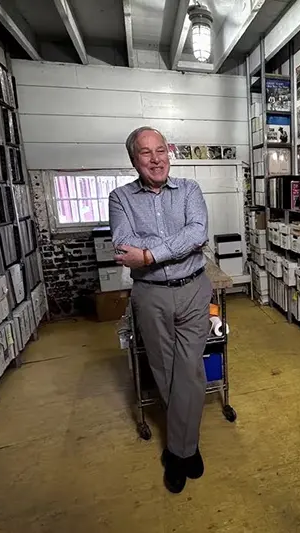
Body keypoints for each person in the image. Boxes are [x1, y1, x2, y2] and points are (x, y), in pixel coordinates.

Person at [109, 127, 213, 494]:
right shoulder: (120, 198)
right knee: (165, 371)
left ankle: (178, 450)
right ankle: (189, 447)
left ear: (169, 152)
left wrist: (150, 253)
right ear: (133, 159)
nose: (155, 159)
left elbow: (197, 232)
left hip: (193, 290)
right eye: (145, 153)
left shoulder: (190, 190)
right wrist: (174, 245)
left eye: (161, 150)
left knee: (191, 371)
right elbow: (123, 245)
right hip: (150, 295)